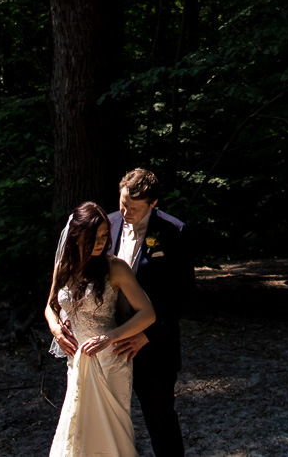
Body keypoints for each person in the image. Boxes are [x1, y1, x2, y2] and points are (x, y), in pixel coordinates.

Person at [46, 201, 156, 457]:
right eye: (93, 236)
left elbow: (148, 313)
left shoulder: (115, 268)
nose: (100, 242)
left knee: (112, 433)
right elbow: (50, 306)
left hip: (111, 360)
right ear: (76, 236)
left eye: (104, 235)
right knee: (79, 425)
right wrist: (56, 329)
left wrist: (111, 337)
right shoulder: (64, 265)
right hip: (77, 360)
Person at [106, 169, 192, 457]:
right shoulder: (107, 223)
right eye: (123, 203)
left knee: (160, 417)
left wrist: (148, 335)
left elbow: (181, 294)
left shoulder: (173, 232)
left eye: (134, 207)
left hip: (155, 346)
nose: (125, 211)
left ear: (153, 203)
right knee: (108, 417)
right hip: (111, 340)